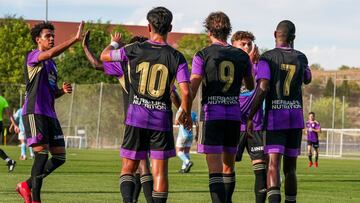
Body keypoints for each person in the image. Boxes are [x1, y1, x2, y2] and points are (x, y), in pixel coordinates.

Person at [100, 6, 192, 203]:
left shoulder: (134, 49)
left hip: (136, 117)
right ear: (171, 27)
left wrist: (115, 43)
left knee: (128, 167)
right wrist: (185, 112)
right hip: (161, 120)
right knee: (160, 172)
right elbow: (186, 91)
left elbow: (104, 56)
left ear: (149, 27)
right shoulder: (177, 57)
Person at [16, 21, 84, 203]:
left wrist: (62, 91)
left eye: (53, 36)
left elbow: (50, 94)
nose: (52, 38)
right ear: (38, 40)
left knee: (60, 157)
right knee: (41, 155)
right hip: (34, 112)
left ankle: (26, 185)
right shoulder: (33, 56)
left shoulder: (52, 65)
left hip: (49, 114)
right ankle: (35, 199)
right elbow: (51, 53)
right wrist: (75, 39)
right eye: (48, 36)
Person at [190, 12, 254, 203]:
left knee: (215, 170)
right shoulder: (242, 56)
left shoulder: (203, 54)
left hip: (212, 115)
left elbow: (192, 88)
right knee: (229, 167)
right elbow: (250, 86)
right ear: (228, 31)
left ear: (209, 30)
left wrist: (183, 110)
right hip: (234, 116)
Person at [82, 32, 154, 203]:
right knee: (144, 164)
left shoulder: (125, 64)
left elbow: (96, 62)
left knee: (139, 164)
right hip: (156, 118)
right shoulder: (154, 64)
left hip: (135, 119)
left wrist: (110, 44)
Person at [246, 20, 311, 203]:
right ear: (294, 38)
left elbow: (263, 86)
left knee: (273, 164)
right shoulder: (301, 57)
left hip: (276, 118)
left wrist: (251, 116)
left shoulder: (267, 58)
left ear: (275, 34)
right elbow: (307, 78)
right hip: (295, 118)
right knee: (291, 169)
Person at [231, 31, 267, 203]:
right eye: (242, 44)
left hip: (256, 124)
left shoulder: (260, 65)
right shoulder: (229, 65)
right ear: (233, 45)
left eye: (249, 44)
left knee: (260, 170)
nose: (247, 47)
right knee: (227, 168)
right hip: (234, 124)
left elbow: (259, 88)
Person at [0, 93, 16, 172]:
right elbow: (9, 114)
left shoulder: (2, 100)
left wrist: (15, 125)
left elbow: (9, 114)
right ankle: (10, 161)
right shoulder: (2, 99)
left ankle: (10, 161)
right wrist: (15, 124)